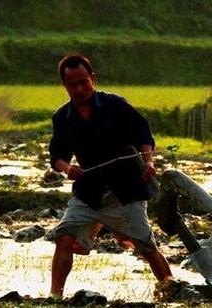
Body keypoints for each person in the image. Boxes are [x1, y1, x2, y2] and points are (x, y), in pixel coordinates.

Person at [47, 53, 174, 297]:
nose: (80, 88)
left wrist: (148, 162)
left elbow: (143, 136)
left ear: (92, 79)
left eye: (84, 82)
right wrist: (67, 168)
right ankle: (55, 296)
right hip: (90, 189)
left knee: (145, 245)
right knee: (63, 235)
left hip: (126, 188)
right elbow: (57, 156)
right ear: (65, 85)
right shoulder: (62, 117)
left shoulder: (115, 105)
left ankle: (172, 290)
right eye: (73, 84)